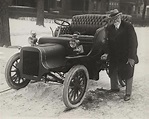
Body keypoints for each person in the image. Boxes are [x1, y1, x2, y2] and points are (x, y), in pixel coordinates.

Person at [101, 9, 139, 101]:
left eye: (117, 17)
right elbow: (107, 42)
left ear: (120, 17)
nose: (115, 19)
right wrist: (106, 53)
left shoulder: (128, 26)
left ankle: (128, 93)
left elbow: (133, 43)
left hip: (126, 55)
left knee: (128, 72)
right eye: (113, 18)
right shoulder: (109, 28)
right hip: (114, 54)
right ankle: (114, 88)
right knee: (112, 70)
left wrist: (131, 57)